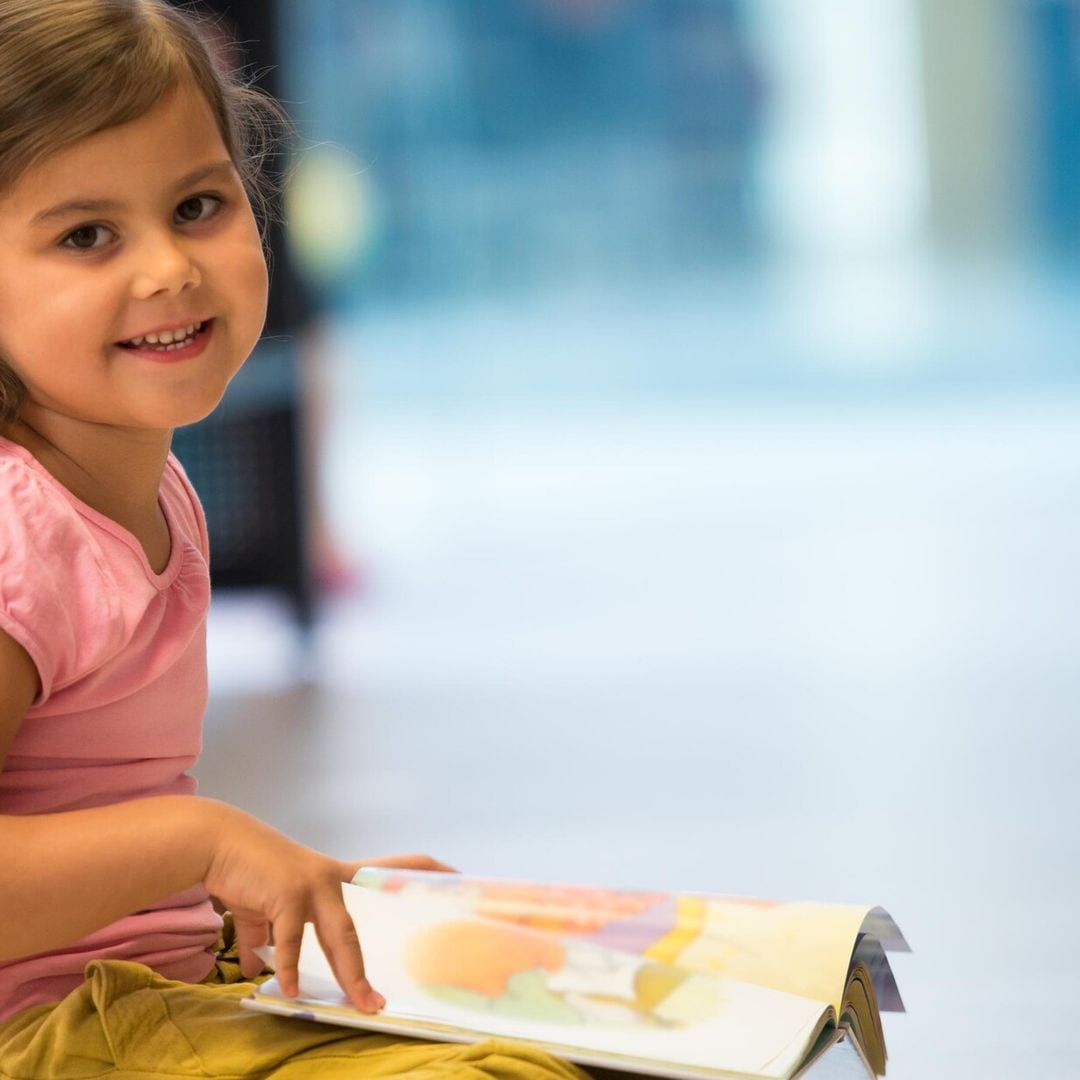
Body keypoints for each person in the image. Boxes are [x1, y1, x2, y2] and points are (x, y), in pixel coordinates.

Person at [0, 3, 583, 1077]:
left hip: (138, 990)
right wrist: (209, 843)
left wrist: (286, 880)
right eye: (87, 234)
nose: (169, 267)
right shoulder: (17, 541)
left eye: (198, 204)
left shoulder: (152, 486)